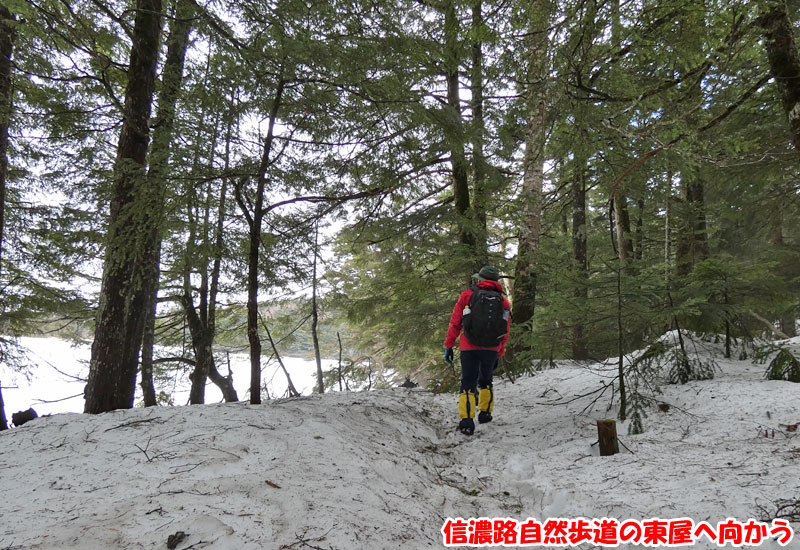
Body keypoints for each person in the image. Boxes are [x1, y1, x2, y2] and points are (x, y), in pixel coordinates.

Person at [444, 266, 511, 435]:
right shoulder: (503, 302)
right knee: (486, 379)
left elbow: (455, 323)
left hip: (469, 347)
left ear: (480, 279)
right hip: (492, 348)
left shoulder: (467, 295)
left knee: (468, 381)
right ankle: (485, 413)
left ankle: (467, 421)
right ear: (496, 282)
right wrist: (500, 351)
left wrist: (449, 345)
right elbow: (505, 330)